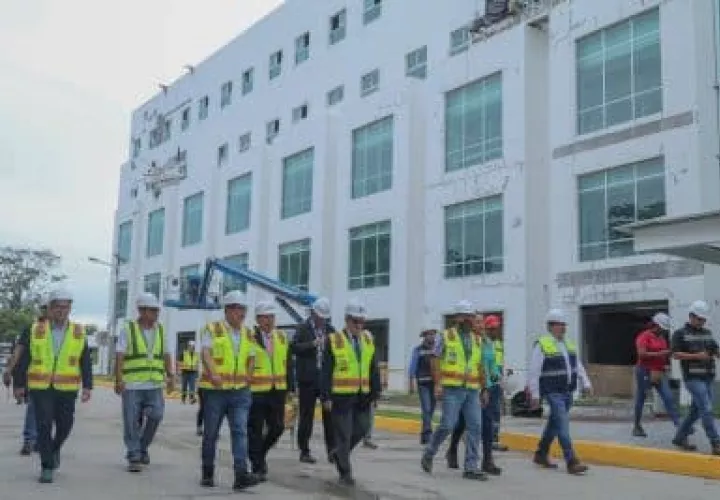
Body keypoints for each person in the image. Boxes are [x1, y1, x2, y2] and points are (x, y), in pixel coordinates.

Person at [13, 288, 93, 483]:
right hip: (41, 388)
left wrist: (88, 386)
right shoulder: (35, 329)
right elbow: (23, 359)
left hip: (67, 389)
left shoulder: (78, 331)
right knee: (43, 425)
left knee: (66, 425)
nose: (61, 311)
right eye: (57, 307)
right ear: (49, 308)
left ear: (70, 309)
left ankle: (54, 449)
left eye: (65, 307)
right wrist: (19, 384)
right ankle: (47, 466)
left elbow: (85, 360)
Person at [198, 290, 259, 490]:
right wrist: (214, 373)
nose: (240, 313)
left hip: (240, 392)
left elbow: (251, 356)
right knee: (211, 433)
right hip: (215, 391)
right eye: (236, 309)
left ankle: (241, 475)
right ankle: (208, 472)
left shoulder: (248, 333)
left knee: (240, 431)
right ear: (227, 310)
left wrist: (249, 376)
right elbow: (205, 353)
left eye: (243, 309)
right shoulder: (212, 329)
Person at [421, 300, 487, 481]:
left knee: (475, 426)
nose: (472, 320)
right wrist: (437, 384)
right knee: (447, 425)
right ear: (460, 318)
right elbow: (435, 359)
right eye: (469, 316)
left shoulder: (476, 339)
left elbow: (480, 365)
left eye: (472, 316)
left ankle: (471, 467)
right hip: (452, 389)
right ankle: (429, 452)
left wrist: (484, 388)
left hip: (472, 390)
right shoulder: (445, 336)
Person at [320, 300, 381, 486]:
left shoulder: (368, 340)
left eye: (362, 322)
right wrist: (326, 395)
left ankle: (339, 453)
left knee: (362, 429)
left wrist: (376, 391)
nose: (359, 326)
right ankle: (345, 472)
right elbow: (326, 370)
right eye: (356, 322)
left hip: (362, 396)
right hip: (341, 396)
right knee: (344, 434)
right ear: (347, 320)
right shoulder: (334, 340)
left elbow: (373, 368)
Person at [114, 292, 175, 472]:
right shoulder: (128, 329)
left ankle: (141, 447)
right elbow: (120, 356)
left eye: (157, 310)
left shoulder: (161, 330)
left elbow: (166, 354)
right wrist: (119, 380)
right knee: (131, 421)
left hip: (155, 383)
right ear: (141, 311)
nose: (156, 314)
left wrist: (171, 376)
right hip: (132, 384)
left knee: (156, 415)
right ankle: (134, 455)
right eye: (152, 310)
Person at [528, 308, 592, 475]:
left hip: (567, 392)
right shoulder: (542, 344)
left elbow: (577, 365)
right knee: (563, 426)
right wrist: (535, 394)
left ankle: (541, 453)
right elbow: (534, 371)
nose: (563, 328)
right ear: (551, 326)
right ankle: (571, 461)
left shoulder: (568, 344)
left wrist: (586, 382)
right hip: (552, 392)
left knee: (554, 424)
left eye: (564, 325)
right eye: (559, 325)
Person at [445, 313, 502, 476]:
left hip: (488, 388)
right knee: (463, 423)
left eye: (481, 323)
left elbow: (492, 364)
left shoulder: (487, 342)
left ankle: (487, 460)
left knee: (487, 425)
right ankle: (453, 449)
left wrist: (497, 378)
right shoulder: (467, 341)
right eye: (477, 322)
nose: (480, 325)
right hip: (471, 387)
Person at [248, 301, 294, 481]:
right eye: (265, 317)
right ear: (258, 319)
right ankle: (258, 467)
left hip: (278, 391)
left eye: (272, 317)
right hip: (256, 391)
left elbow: (288, 363)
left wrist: (291, 387)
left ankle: (259, 454)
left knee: (278, 427)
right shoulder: (249, 337)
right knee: (255, 430)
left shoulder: (281, 337)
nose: (269, 321)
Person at [670, 300, 720, 455]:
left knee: (696, 412)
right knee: (706, 408)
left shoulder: (707, 333)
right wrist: (696, 355)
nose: (702, 322)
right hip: (692, 378)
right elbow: (675, 354)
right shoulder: (680, 333)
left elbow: (716, 350)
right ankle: (716, 442)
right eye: (699, 319)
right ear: (691, 316)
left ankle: (679, 437)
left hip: (708, 377)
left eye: (704, 319)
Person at [291, 297, 335, 464]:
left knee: (329, 416)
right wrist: (312, 344)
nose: (321, 320)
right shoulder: (302, 328)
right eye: (319, 317)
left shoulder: (331, 330)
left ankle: (332, 451)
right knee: (306, 416)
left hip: (325, 379)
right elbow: (294, 347)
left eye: (324, 317)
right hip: (307, 379)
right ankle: (304, 451)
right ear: (313, 313)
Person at [3, 300, 47, 455]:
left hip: (54, 379)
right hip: (35, 376)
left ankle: (36, 440)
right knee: (34, 408)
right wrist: (9, 371)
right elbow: (19, 352)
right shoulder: (31, 330)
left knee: (42, 410)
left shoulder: (63, 331)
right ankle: (31, 441)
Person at [632, 312, 680, 437]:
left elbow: (663, 354)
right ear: (656, 325)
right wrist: (662, 353)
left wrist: (667, 359)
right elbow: (642, 354)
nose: (663, 331)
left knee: (668, 397)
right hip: (644, 370)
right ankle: (637, 426)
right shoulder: (644, 336)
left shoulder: (662, 338)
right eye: (662, 328)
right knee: (641, 398)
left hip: (659, 372)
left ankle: (679, 426)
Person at [408, 329, 437, 445]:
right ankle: (428, 434)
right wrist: (411, 384)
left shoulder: (436, 349)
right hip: (423, 384)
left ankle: (424, 434)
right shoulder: (418, 350)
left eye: (433, 335)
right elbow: (413, 367)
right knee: (426, 408)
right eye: (429, 335)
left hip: (434, 384)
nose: (431, 337)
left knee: (431, 409)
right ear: (424, 337)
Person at [484, 315, 508, 451]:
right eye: (492, 328)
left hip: (496, 382)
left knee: (496, 412)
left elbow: (499, 365)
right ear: (486, 329)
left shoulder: (499, 344)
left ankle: (494, 439)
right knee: (485, 412)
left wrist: (502, 380)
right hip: (485, 384)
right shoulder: (482, 343)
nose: (494, 331)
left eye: (496, 328)